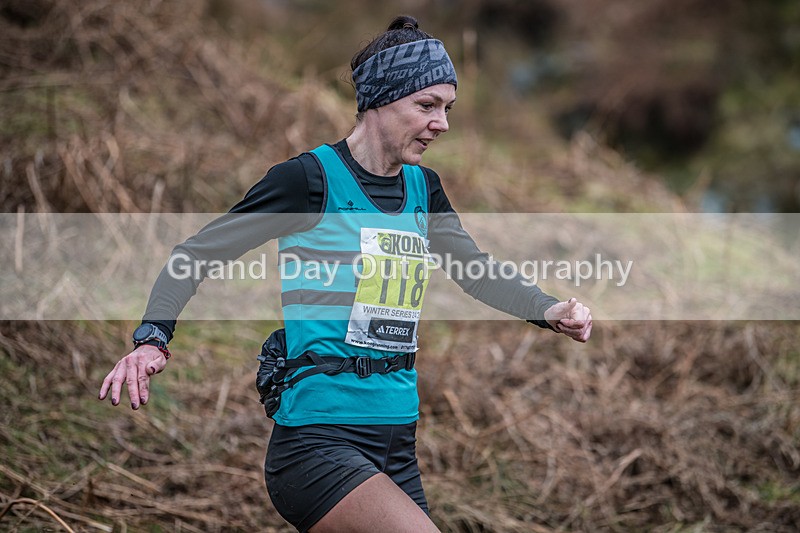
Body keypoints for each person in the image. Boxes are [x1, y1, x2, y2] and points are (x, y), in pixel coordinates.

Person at [98, 15, 592, 533]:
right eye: (427, 106)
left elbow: (476, 272)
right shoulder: (307, 181)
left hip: (397, 440)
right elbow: (195, 255)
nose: (442, 122)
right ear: (378, 102)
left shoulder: (425, 188)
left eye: (447, 108)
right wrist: (152, 338)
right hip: (318, 442)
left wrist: (548, 309)